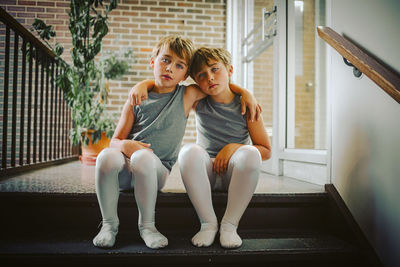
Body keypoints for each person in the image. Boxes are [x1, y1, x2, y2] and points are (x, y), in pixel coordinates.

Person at [93, 36, 260, 250]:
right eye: (165, 60)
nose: (170, 68)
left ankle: (147, 227)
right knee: (106, 156)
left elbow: (217, 84)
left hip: (155, 170)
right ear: (152, 62)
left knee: (143, 157)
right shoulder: (136, 98)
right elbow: (115, 141)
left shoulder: (187, 95)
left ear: (185, 74)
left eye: (179, 65)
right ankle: (109, 225)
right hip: (127, 170)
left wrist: (246, 93)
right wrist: (125, 145)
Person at [178, 47, 271, 249]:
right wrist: (142, 85)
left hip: (233, 175)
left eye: (215, 69)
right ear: (196, 81)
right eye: (202, 75)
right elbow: (169, 86)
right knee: (188, 151)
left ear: (229, 70)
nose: (210, 78)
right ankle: (208, 223)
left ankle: (229, 225)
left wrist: (233, 148)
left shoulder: (247, 105)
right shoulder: (198, 101)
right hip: (206, 174)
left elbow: (265, 150)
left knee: (250, 152)